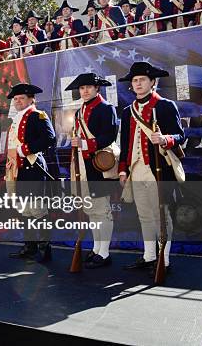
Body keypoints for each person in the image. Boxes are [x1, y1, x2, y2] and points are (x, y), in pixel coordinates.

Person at [118, 62, 185, 274]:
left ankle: (163, 260)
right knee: (144, 215)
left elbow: (181, 136)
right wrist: (123, 169)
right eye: (135, 81)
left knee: (161, 216)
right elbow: (126, 143)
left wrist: (165, 139)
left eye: (142, 80)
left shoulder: (165, 106)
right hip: (136, 169)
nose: (137, 84)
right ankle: (149, 256)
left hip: (158, 169)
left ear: (152, 82)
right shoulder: (128, 112)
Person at [65, 73, 118, 268]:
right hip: (83, 165)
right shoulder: (80, 111)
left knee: (102, 211)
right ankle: (96, 248)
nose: (84, 91)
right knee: (91, 211)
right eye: (81, 88)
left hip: (98, 166)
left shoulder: (106, 108)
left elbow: (109, 136)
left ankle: (104, 253)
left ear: (97, 88)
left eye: (88, 87)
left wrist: (85, 144)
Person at [4, 84, 56, 262]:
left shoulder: (37, 115)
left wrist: (24, 150)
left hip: (33, 168)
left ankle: (44, 248)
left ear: (31, 99)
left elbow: (50, 138)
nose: (18, 101)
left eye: (22, 98)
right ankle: (30, 246)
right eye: (16, 99)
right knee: (24, 210)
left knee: (37, 209)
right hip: (19, 170)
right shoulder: (16, 119)